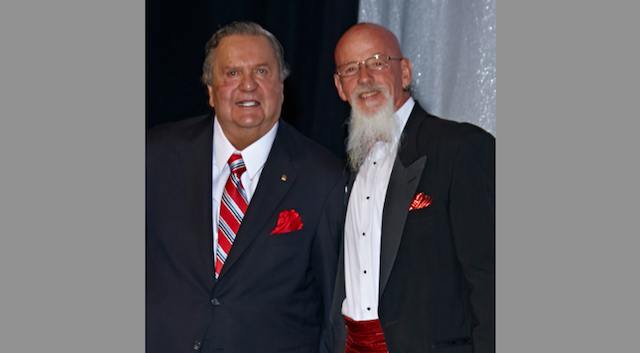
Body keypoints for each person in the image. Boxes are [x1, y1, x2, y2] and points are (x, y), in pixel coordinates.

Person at [146, 21, 348, 353]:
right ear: (210, 91)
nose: (248, 86)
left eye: (262, 72)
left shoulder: (324, 178)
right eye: (232, 74)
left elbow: (333, 313)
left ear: (282, 88)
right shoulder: (154, 156)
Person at [328, 23, 495, 353]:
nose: (364, 78)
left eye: (377, 62)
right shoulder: (339, 169)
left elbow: (493, 281)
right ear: (340, 87)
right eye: (351, 69)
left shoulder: (462, 148)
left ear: (404, 72)